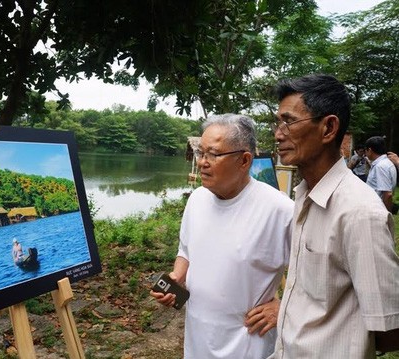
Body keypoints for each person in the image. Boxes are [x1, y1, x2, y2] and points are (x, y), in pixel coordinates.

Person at [270, 74, 399, 358]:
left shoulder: (359, 213)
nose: (278, 133)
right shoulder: (304, 195)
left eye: (289, 121)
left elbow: (390, 330)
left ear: (328, 128)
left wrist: (337, 340)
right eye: (278, 123)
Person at [151, 114, 294, 359]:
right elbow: (186, 250)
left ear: (244, 160)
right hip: (198, 341)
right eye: (201, 152)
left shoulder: (280, 210)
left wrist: (285, 308)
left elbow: (317, 277)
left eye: (213, 154)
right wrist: (176, 278)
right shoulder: (197, 199)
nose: (203, 162)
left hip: (248, 345)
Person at [365, 136, 397, 213]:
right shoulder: (386, 163)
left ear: (369, 150)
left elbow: (387, 194)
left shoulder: (381, 166)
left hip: (377, 210)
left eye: (365, 151)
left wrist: (386, 215)